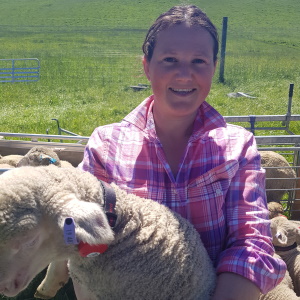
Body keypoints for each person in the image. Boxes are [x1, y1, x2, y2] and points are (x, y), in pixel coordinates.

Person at [78, 5, 286, 299]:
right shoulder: (105, 145)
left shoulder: (238, 148)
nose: (185, 75)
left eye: (199, 61)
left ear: (214, 67)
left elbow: (251, 245)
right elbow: (86, 242)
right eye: (170, 59)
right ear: (147, 66)